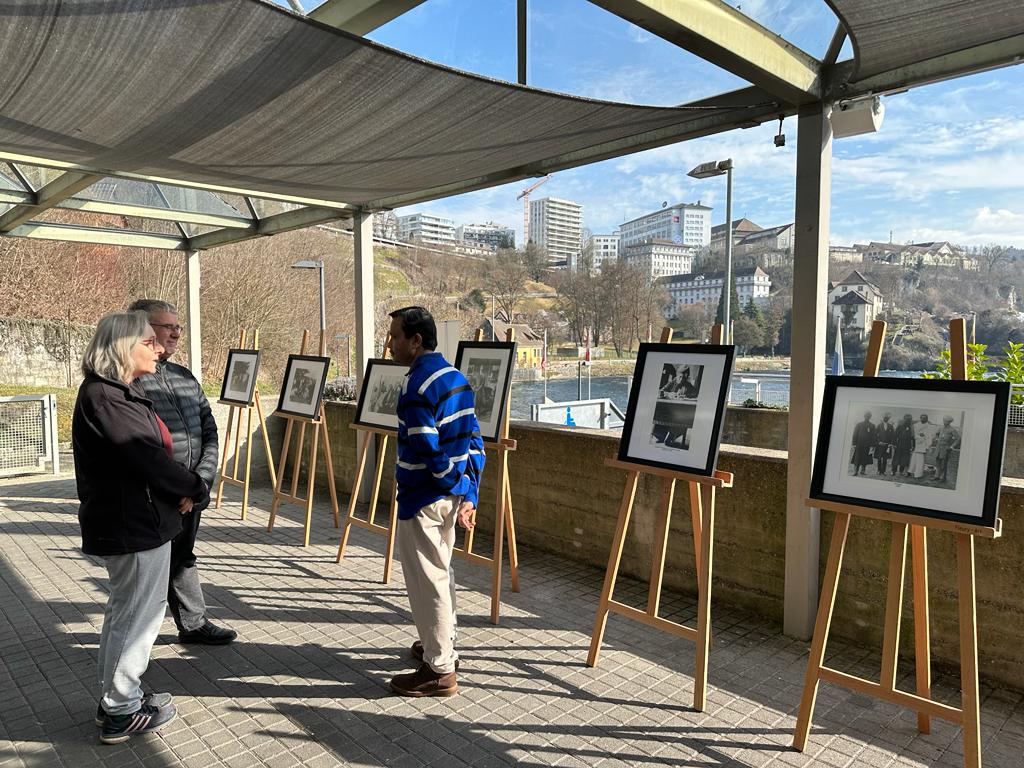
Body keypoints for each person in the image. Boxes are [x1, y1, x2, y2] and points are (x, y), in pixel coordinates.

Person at [73, 312, 209, 744]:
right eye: (149, 341)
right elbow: (148, 460)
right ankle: (120, 709)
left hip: (138, 520)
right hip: (133, 525)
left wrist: (183, 490)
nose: (158, 347)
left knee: (125, 614)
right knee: (137, 619)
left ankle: (120, 698)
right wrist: (195, 487)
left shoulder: (116, 392)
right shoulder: (107, 397)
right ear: (123, 346)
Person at [386, 306, 485, 697]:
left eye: (395, 337)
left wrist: (450, 482)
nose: (390, 343)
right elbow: (475, 440)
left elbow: (428, 449)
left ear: (416, 341)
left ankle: (439, 669)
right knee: (442, 575)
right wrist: (466, 491)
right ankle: (440, 646)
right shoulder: (456, 378)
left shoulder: (416, 386)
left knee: (428, 583)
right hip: (448, 498)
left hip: (423, 498)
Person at [127, 299, 235, 645]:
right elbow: (142, 449)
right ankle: (135, 639)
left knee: (184, 555)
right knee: (149, 569)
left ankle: (193, 623)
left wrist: (200, 484)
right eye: (166, 326)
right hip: (158, 497)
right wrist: (176, 490)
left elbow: (209, 431)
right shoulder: (132, 382)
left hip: (191, 492)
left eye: (178, 326)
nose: (175, 332)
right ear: (142, 330)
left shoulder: (184, 376)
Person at [933, 416, 962, 483]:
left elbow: (958, 439)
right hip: (938, 448)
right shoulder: (940, 428)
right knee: (937, 463)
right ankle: (936, 476)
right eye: (944, 421)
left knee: (943, 464)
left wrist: (952, 447)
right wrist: (937, 438)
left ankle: (942, 478)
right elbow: (936, 434)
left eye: (946, 421)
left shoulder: (952, 430)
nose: (944, 422)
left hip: (945, 448)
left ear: (949, 422)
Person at [910, 414, 938, 479]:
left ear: (927, 419)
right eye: (922, 418)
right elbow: (913, 434)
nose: (923, 419)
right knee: (914, 460)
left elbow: (931, 436)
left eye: (925, 418)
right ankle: (911, 471)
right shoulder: (916, 425)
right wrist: (918, 436)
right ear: (920, 418)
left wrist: (926, 439)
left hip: (923, 445)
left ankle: (918, 474)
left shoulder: (929, 426)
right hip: (916, 444)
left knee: (921, 460)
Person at [850, 411, 876, 476]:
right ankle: (855, 471)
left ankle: (863, 471)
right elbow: (855, 434)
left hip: (867, 445)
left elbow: (873, 436)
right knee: (857, 458)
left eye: (869, 416)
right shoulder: (859, 424)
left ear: (870, 417)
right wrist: (854, 444)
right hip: (859, 444)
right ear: (864, 416)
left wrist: (872, 445)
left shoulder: (872, 425)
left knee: (865, 458)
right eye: (866, 416)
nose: (867, 417)